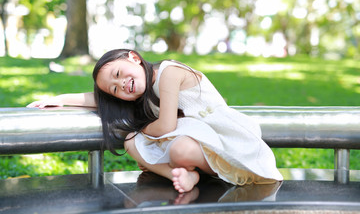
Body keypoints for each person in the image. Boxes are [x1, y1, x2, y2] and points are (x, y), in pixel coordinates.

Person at [28, 49, 283, 193]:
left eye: (118, 74)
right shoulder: (142, 90)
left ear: (134, 57)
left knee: (176, 148)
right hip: (194, 135)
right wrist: (60, 98)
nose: (121, 85)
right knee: (130, 140)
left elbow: (166, 127)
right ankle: (188, 177)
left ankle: (194, 172)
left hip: (224, 136)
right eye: (115, 89)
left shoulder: (169, 73)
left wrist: (141, 127)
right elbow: (98, 99)